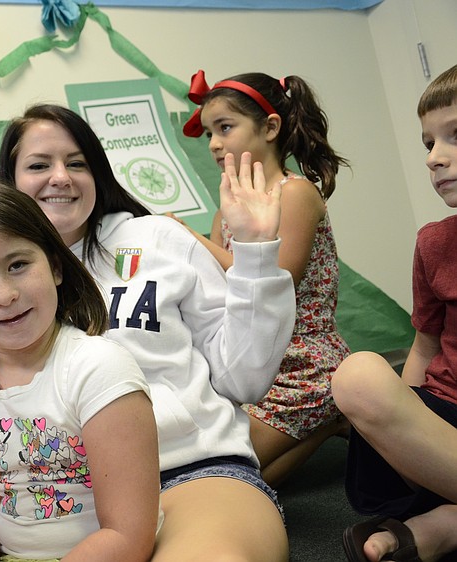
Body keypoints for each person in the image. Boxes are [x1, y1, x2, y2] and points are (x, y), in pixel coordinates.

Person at [0, 104, 296, 561]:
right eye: (39, 165)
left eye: (77, 163)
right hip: (64, 500)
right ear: (10, 183)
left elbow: (243, 380)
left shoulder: (158, 239)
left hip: (189, 473)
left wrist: (255, 254)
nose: (60, 177)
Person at [0, 182, 160, 561]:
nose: (3, 295)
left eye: (17, 265)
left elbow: (126, 533)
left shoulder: (98, 367)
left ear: (55, 266)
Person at [179, 69, 352, 486]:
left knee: (232, 472)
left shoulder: (296, 194)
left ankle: (329, 406)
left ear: (270, 127)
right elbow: (220, 288)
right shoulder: (225, 209)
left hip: (302, 364)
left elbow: (279, 282)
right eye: (208, 134)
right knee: (226, 474)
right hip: (249, 362)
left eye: (225, 127)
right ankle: (328, 423)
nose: (215, 144)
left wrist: (184, 237)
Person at [332, 64, 457, 562]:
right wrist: (400, 420)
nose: (435, 158)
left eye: (454, 136)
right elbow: (425, 347)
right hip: (444, 426)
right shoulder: (434, 243)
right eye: (428, 143)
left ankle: (445, 522)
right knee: (359, 375)